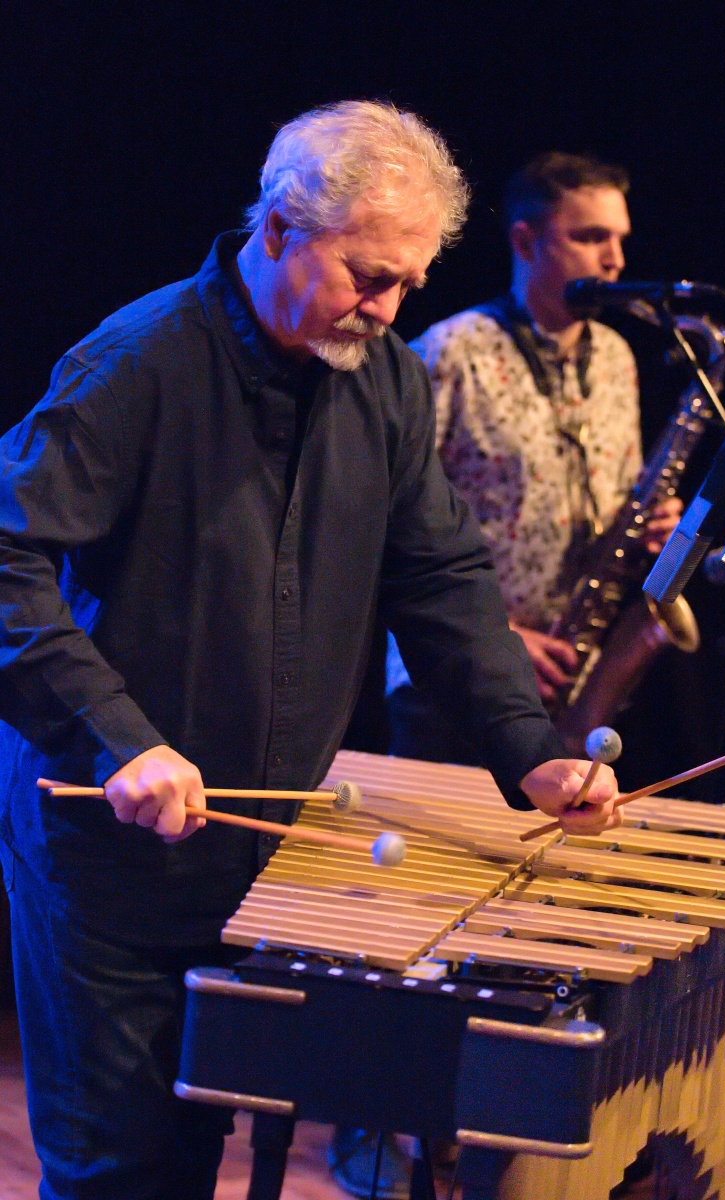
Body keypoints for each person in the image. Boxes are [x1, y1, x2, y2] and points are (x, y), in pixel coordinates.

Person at [0, 103, 621, 1200]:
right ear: (279, 227)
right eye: (367, 277)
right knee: (118, 1172)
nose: (386, 311)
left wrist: (529, 749)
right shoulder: (139, 363)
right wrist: (119, 739)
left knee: (198, 1158)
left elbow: (438, 576)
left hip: (265, 859)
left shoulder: (384, 379)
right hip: (111, 857)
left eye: (408, 286)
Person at [387, 151, 682, 763]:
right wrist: (497, 639)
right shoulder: (448, 352)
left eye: (619, 239)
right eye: (590, 237)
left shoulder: (616, 357)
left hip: (566, 680)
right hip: (452, 680)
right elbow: (385, 528)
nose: (615, 261)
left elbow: (617, 496)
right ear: (525, 242)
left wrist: (649, 527)